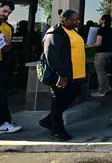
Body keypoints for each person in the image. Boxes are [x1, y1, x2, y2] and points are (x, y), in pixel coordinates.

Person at [39, 10, 86, 141]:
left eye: (78, 19)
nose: (78, 22)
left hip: (75, 75)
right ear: (64, 19)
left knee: (73, 94)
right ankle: (56, 130)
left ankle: (49, 120)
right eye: (74, 20)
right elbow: (52, 56)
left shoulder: (71, 31)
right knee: (58, 102)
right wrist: (62, 75)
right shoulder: (54, 33)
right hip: (62, 76)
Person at [0, 0, 22, 134]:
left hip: (1, 63)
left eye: (9, 13)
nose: (6, 14)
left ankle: (4, 122)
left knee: (2, 94)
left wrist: (8, 44)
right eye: (4, 11)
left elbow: (6, 49)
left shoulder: (7, 27)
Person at [87, 14, 112, 97]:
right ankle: (108, 88)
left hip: (101, 53)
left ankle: (101, 91)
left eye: (100, 19)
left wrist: (89, 46)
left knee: (100, 72)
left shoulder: (101, 30)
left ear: (103, 20)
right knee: (104, 71)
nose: (99, 20)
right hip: (109, 53)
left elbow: (98, 43)